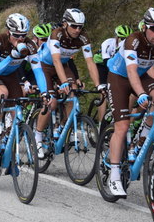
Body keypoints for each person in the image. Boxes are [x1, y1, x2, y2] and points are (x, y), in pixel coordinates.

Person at [104, 8, 154, 198]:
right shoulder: (133, 40)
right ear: (144, 27)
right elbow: (131, 72)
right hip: (119, 77)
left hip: (141, 76)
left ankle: (139, 140)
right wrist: (141, 94)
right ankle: (115, 174)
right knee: (123, 126)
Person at [34, 8, 103, 158]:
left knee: (73, 94)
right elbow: (56, 60)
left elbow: (90, 62)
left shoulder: (83, 38)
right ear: (65, 24)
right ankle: (38, 136)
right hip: (45, 66)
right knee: (51, 102)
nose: (78, 30)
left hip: (63, 66)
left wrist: (98, 84)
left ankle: (64, 126)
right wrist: (64, 82)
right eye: (74, 26)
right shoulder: (56, 34)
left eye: (80, 26)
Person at [0, 13, 46, 154]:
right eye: (16, 35)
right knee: (2, 93)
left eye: (23, 35)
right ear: (8, 32)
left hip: (10, 76)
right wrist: (11, 57)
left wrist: (45, 91)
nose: (20, 39)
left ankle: (8, 146)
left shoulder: (29, 45)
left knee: (18, 111)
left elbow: (38, 71)